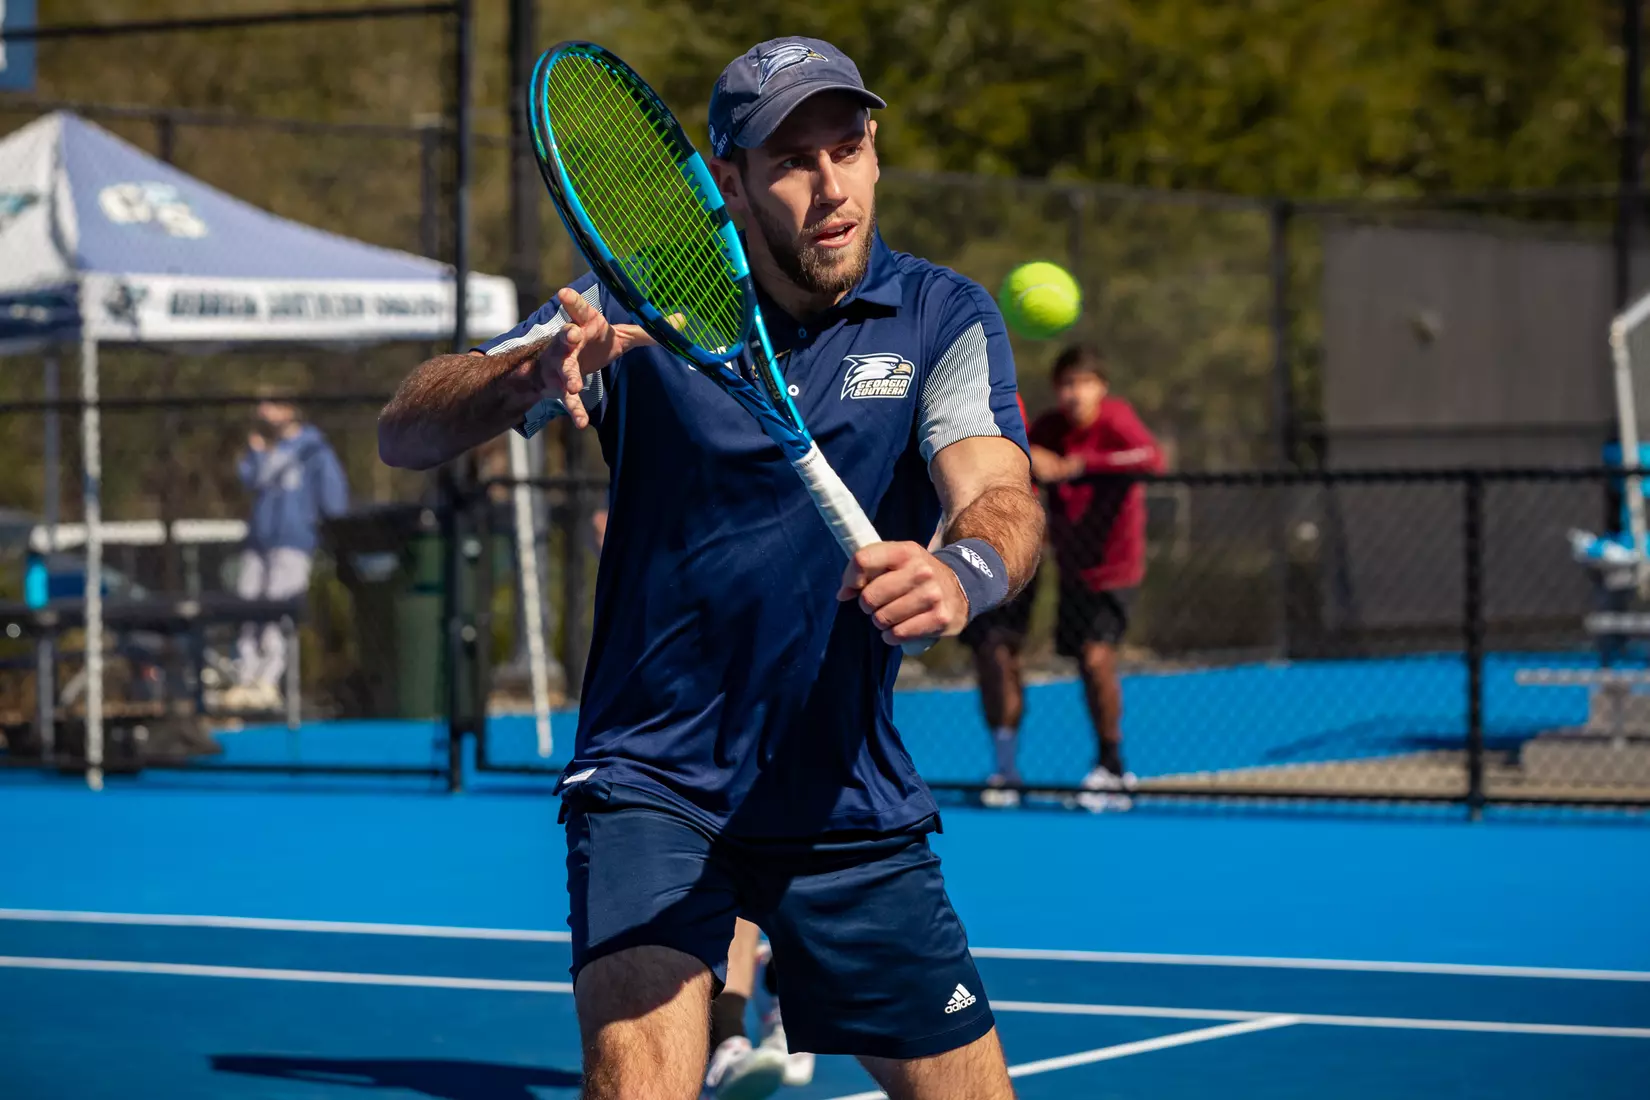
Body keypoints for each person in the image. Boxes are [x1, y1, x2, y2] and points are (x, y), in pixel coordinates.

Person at [378, 36, 1042, 1100]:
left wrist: (964, 570)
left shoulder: (941, 315)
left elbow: (998, 491)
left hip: (844, 794)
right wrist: (521, 377)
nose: (832, 186)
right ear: (727, 182)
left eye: (850, 147)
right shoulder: (631, 307)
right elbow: (404, 430)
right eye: (793, 160)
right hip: (655, 781)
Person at [1027, 345, 1162, 812]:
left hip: (1117, 567)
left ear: (1101, 387)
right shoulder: (1047, 428)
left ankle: (1115, 767)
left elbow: (1150, 458)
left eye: (1083, 383)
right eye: (1065, 384)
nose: (1074, 394)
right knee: (1085, 665)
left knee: (1096, 656)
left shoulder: (1117, 420)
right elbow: (1008, 452)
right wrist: (1029, 457)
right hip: (1073, 569)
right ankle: (1108, 763)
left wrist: (1079, 466)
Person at [228, 394, 347, 711]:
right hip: (259, 541)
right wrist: (256, 452)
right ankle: (245, 677)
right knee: (248, 607)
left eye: (274, 405)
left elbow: (334, 500)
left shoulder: (314, 449)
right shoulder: (266, 449)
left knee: (277, 611)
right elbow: (247, 481)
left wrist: (326, 533)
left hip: (294, 543)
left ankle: (267, 681)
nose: (265, 412)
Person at [958, 395, 1039, 808]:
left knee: (1001, 654)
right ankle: (1004, 766)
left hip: (1004, 544)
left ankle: (1008, 768)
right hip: (954, 541)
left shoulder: (994, 392)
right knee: (989, 658)